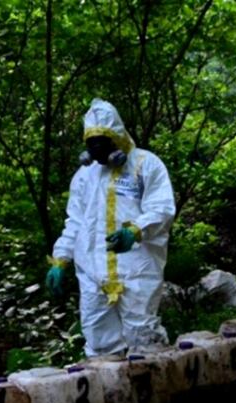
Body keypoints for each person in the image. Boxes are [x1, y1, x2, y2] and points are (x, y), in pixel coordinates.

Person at [46, 99, 176, 357]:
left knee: (144, 341)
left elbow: (161, 209)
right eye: (91, 144)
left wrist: (136, 230)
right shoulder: (84, 176)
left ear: (117, 137)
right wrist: (60, 259)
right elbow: (75, 223)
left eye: (102, 143)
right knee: (100, 346)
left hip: (137, 271)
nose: (97, 152)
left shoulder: (145, 164)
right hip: (92, 273)